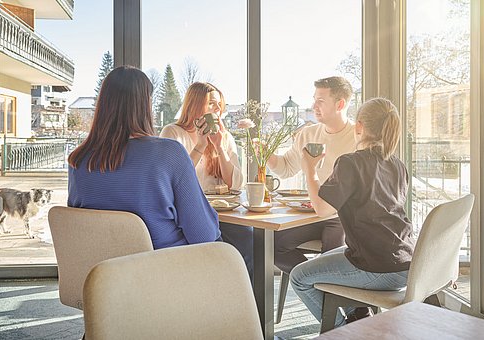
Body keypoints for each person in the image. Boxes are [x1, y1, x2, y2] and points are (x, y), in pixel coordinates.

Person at [290, 97, 416, 327]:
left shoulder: (350, 163)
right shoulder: (397, 164)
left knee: (299, 277)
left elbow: (321, 209)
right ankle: (359, 317)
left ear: (359, 126)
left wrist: (310, 169)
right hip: (406, 261)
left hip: (378, 266)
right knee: (327, 259)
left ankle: (343, 331)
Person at [67, 66, 220, 250]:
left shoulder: (78, 160)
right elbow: (204, 236)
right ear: (144, 105)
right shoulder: (169, 153)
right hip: (163, 271)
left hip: (102, 274)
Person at [160, 82, 253, 278]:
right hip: (193, 215)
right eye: (212, 103)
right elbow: (173, 181)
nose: (218, 109)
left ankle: (246, 302)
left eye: (219, 104)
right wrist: (200, 146)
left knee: (251, 238)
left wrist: (219, 146)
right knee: (244, 240)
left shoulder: (224, 137)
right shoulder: (173, 133)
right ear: (195, 104)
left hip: (225, 212)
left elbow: (236, 184)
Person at [266, 76, 356, 274]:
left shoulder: (358, 137)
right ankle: (314, 283)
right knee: (271, 246)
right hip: (313, 213)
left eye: (320, 101)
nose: (313, 105)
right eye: (314, 99)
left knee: (334, 254)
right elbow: (286, 168)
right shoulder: (308, 134)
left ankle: (327, 290)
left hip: (343, 216)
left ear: (340, 104)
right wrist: (265, 154)